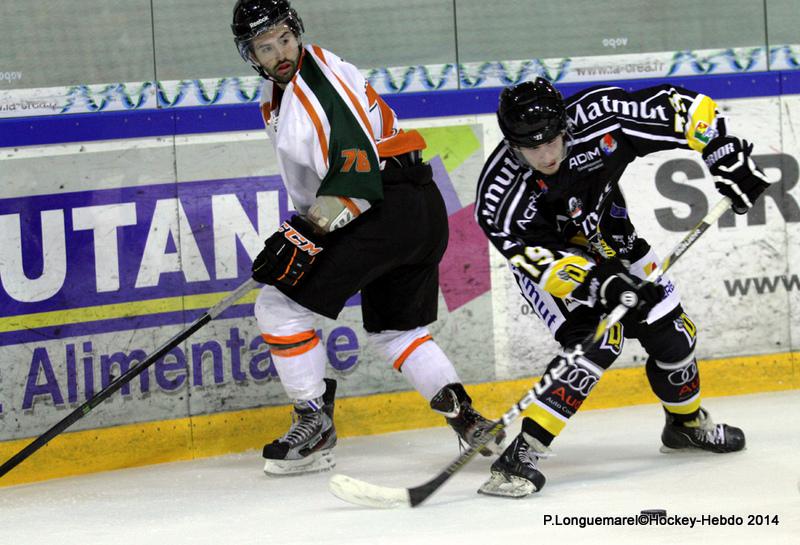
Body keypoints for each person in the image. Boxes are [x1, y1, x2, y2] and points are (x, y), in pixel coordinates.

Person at [230, 0, 503, 476]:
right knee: (397, 331)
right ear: (250, 55)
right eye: (266, 46)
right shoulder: (291, 88)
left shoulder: (315, 89)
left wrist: (306, 233)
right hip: (418, 204)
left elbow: (355, 181)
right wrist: (303, 229)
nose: (280, 53)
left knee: (277, 307)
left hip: (381, 207)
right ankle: (467, 417)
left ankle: (313, 424)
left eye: (285, 40)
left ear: (298, 33)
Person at [474, 77, 770, 497]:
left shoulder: (602, 116)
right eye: (530, 148)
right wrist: (603, 285)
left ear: (565, 127)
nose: (544, 155)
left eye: (552, 141)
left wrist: (722, 152)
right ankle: (522, 455)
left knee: (674, 333)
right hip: (557, 266)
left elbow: (683, 108)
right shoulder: (499, 196)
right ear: (511, 144)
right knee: (599, 340)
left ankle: (685, 426)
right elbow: (535, 260)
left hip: (614, 239)